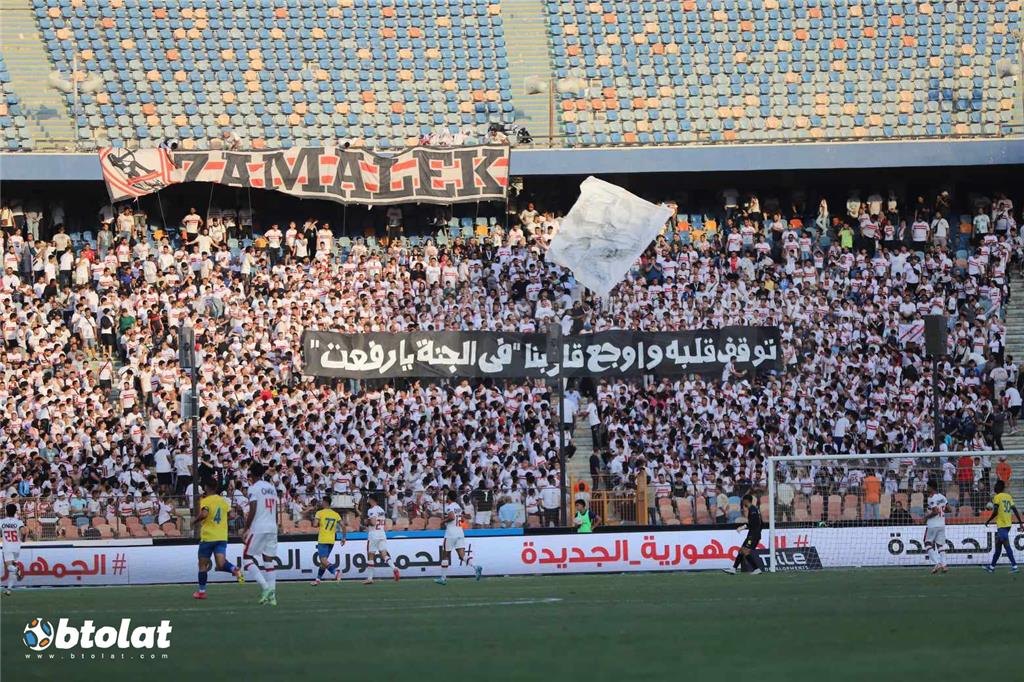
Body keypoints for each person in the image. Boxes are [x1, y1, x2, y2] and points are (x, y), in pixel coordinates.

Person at [193, 478, 243, 600]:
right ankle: (235, 570)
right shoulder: (223, 501)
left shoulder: (205, 500)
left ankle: (202, 592)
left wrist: (195, 520)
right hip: (221, 537)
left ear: (206, 487)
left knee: (202, 565)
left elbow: (204, 514)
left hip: (208, 537)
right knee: (221, 564)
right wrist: (221, 521)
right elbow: (232, 515)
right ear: (216, 488)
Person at [243, 462, 280, 606]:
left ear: (252, 474)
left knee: (247, 558)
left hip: (259, 527)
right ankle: (273, 597)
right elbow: (275, 509)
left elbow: (253, 508)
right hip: (272, 526)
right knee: (268, 561)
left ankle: (266, 588)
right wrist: (275, 524)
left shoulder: (253, 488)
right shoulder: (271, 488)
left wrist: (246, 528)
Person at [435, 490, 483, 585]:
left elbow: (452, 517)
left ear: (448, 497)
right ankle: (475, 566)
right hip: (460, 532)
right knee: (462, 555)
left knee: (445, 555)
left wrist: (443, 521)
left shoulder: (449, 507)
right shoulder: (458, 507)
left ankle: (443, 578)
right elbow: (461, 518)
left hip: (451, 533)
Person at [984, 480, 1024, 573]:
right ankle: (991, 567)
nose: (994, 487)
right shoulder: (1008, 496)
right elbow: (1014, 510)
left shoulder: (997, 497)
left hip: (1002, 525)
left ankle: (1015, 566)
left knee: (1006, 545)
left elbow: (995, 511)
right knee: (998, 547)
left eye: (996, 485)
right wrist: (1020, 522)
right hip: (1008, 525)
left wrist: (988, 520)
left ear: (998, 487)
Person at [724, 494, 765, 574]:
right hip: (753, 534)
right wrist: (758, 533)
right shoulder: (754, 509)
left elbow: (753, 522)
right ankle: (734, 569)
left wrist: (743, 527)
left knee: (745, 551)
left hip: (753, 535)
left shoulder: (752, 509)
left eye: (743, 501)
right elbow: (761, 523)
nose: (742, 502)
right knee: (741, 551)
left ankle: (756, 569)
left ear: (746, 501)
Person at [363, 496, 399, 584]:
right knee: (384, 554)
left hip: (373, 535)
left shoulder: (371, 510)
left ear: (372, 500)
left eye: (369, 499)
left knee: (370, 556)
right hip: (382, 534)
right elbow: (384, 522)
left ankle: (370, 578)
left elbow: (373, 522)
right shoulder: (381, 510)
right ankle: (394, 568)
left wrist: (366, 522)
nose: (368, 500)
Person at [311, 496, 343, 586]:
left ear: (325, 502)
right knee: (323, 562)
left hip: (323, 539)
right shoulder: (335, 514)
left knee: (323, 560)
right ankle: (318, 579)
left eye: (322, 501)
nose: (321, 503)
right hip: (331, 540)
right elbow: (343, 526)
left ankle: (335, 572)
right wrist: (344, 538)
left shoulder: (319, 513)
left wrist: (316, 519)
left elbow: (315, 524)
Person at [923, 481, 950, 574]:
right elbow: (949, 509)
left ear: (931, 487)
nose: (926, 488)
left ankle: (937, 563)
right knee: (940, 545)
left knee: (927, 543)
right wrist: (941, 510)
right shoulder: (942, 497)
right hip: (941, 523)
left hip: (932, 524)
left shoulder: (931, 498)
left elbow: (935, 512)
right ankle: (944, 565)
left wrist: (926, 517)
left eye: (927, 487)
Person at [1, 504, 27, 596]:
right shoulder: (18, 522)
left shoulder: (2, 522)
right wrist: (23, 539)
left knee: (10, 568)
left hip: (7, 547)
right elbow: (24, 531)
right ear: (15, 512)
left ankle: (17, 569)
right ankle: (9, 589)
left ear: (6, 511)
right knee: (11, 571)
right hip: (16, 547)